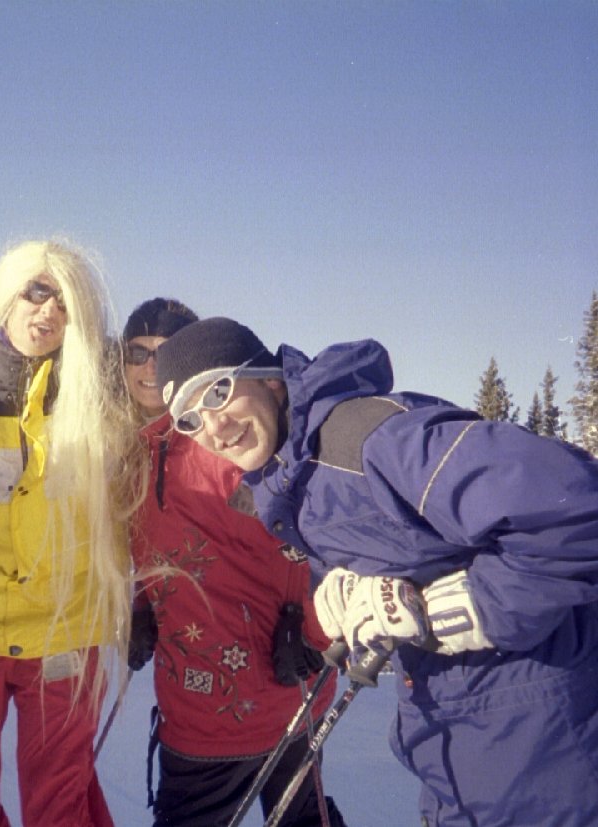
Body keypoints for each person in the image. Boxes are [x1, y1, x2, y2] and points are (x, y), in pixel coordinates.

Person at [154, 316, 598, 827]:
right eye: (189, 419)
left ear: (270, 380)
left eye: (218, 392)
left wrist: (461, 606)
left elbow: (577, 510)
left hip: (543, 743)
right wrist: (342, 591)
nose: (212, 427)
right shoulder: (295, 479)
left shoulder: (371, 441)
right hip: (461, 740)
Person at [0, 239, 140, 827]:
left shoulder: (102, 382)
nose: (49, 310)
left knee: (61, 808)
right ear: (7, 295)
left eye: (66, 302)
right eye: (38, 291)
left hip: (68, 627)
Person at [121, 300, 345, 827]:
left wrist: (312, 632)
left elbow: (313, 542)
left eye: (168, 353)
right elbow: (152, 544)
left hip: (286, 693)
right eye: (139, 352)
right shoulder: (135, 452)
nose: (154, 367)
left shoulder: (232, 441)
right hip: (195, 710)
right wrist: (142, 605)